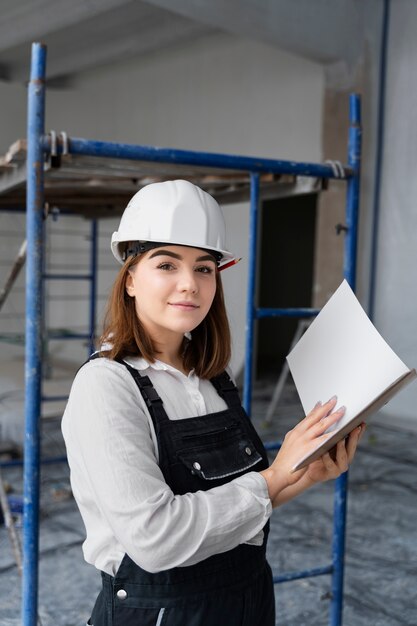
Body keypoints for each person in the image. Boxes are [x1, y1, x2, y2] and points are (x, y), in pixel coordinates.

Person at [61, 179, 364, 626]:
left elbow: (229, 509)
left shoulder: (213, 378)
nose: (190, 284)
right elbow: (157, 539)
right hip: (159, 613)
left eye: (204, 268)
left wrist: (302, 476)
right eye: (167, 264)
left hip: (245, 601)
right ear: (129, 279)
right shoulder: (106, 386)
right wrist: (275, 474)